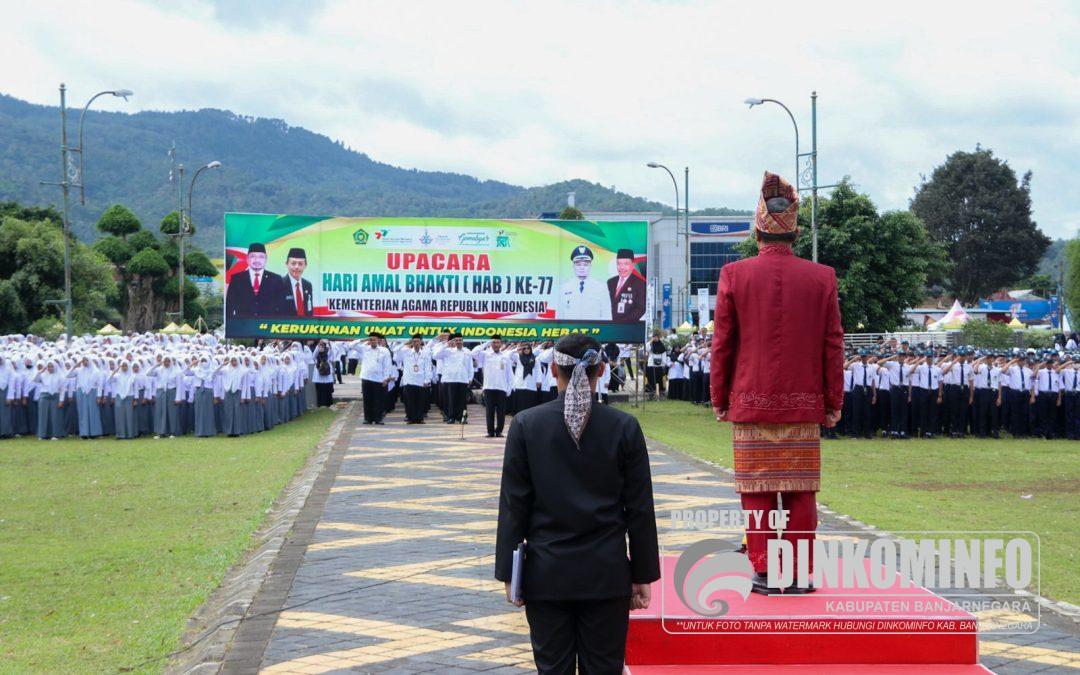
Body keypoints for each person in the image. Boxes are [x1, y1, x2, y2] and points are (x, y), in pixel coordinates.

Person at [710, 171, 844, 595]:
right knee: (801, 492)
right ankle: (801, 571)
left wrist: (719, 398)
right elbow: (832, 344)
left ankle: (766, 571)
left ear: (757, 230)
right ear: (795, 233)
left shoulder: (734, 274)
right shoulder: (823, 277)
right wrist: (833, 400)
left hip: (750, 402)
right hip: (805, 404)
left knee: (758, 492)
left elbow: (723, 345)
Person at [495, 333, 660, 674]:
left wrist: (509, 573)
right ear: (602, 370)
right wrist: (642, 573)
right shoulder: (624, 426)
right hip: (606, 573)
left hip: (546, 573)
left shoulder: (527, 424)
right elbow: (639, 508)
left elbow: (515, 505)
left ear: (553, 369)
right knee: (604, 667)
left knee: (552, 668)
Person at [226, 242, 285, 319]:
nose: (257, 260)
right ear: (247, 259)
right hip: (243, 325)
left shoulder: (276, 279)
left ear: (266, 259)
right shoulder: (237, 278)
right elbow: (229, 305)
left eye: (261, 257)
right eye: (253, 256)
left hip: (268, 324)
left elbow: (282, 306)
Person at [472, 336, 516, 437]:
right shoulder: (485, 355)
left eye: (498, 342)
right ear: (491, 344)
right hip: (489, 387)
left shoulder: (505, 356)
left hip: (502, 387)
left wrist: (509, 388)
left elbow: (510, 374)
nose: (496, 344)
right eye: (494, 342)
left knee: (501, 411)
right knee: (489, 411)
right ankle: (490, 432)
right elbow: (473, 353)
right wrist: (486, 343)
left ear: (501, 344)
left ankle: (499, 431)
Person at [557, 245, 612, 321]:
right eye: (578, 264)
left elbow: (607, 316)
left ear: (590, 266)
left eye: (586, 265)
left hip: (594, 331)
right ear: (573, 266)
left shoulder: (602, 288)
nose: (582, 268)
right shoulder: (563, 287)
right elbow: (559, 316)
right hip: (571, 331)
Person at [352, 333, 393, 424]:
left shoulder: (384, 350)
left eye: (374, 340)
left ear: (378, 340)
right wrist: (363, 339)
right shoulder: (364, 348)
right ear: (369, 341)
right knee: (367, 399)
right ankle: (368, 418)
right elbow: (352, 345)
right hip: (366, 377)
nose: (373, 341)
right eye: (371, 340)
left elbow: (387, 365)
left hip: (379, 379)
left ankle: (378, 419)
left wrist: (386, 378)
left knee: (378, 400)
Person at [432, 333, 473, 423]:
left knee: (462, 401)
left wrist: (470, 377)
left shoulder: (467, 351)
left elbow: (470, 366)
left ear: (462, 341)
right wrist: (447, 344)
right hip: (451, 379)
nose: (458, 342)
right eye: (456, 340)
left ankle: (462, 418)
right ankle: (451, 417)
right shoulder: (447, 351)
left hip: (463, 379)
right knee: (451, 400)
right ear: (453, 341)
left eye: (460, 340)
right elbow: (435, 355)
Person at [394, 335, 432, 424]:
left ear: (421, 342)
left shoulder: (425, 353)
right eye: (414, 341)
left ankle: (419, 418)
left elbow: (428, 368)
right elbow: (395, 351)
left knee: (420, 401)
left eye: (417, 341)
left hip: (420, 381)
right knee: (409, 401)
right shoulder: (406, 352)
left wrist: (427, 380)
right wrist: (405, 343)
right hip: (409, 380)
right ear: (411, 342)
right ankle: (411, 418)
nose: (416, 343)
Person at [607, 248, 646, 323]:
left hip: (628, 326)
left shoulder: (639, 284)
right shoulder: (611, 282)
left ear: (633, 264)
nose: (622, 267)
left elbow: (640, 308)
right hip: (609, 325)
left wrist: (622, 322)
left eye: (626, 264)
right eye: (619, 263)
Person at [278, 247, 314, 318]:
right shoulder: (279, 284)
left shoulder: (308, 285)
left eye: (300, 264)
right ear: (287, 264)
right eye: (293, 263)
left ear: (305, 266)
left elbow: (309, 309)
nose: (297, 267)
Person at [312, 340, 336, 407]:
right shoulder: (317, 354)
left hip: (327, 373)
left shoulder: (328, 352)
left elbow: (333, 356)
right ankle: (320, 404)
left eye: (322, 347)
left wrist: (329, 344)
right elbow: (313, 356)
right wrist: (318, 345)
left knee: (327, 389)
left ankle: (328, 404)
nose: (321, 348)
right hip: (319, 373)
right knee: (319, 390)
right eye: (320, 347)